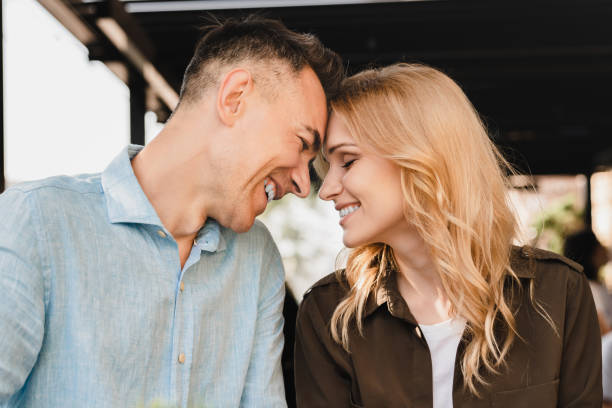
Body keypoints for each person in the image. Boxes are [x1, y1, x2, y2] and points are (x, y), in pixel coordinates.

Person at [0, 16, 342, 407]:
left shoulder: (257, 257)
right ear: (235, 98)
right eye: (301, 143)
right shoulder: (38, 222)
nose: (302, 185)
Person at [294, 63, 602, 407]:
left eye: (348, 161)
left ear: (422, 159)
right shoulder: (328, 313)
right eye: (328, 166)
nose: (326, 190)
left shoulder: (558, 294)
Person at [564, 228, 612, 335]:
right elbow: (605, 330)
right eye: (598, 244)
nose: (604, 248)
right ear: (590, 254)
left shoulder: (594, 286)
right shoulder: (590, 290)